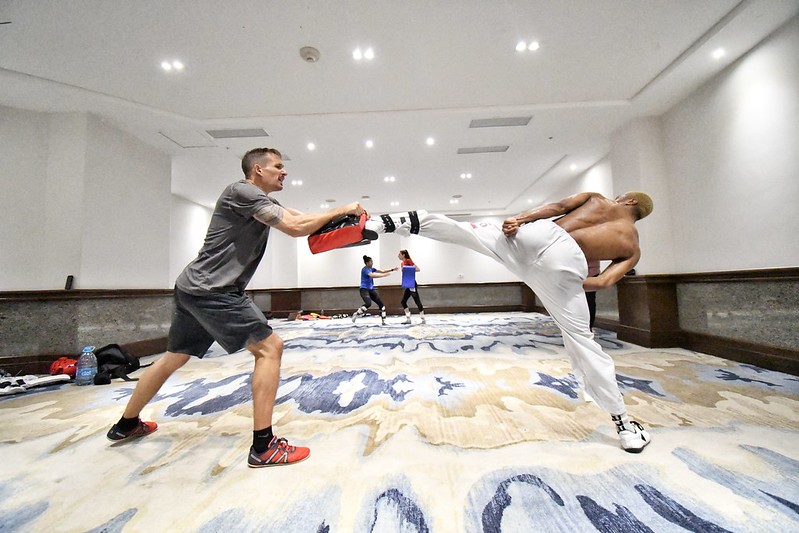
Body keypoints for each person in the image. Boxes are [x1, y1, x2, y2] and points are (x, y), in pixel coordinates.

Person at [106, 147, 366, 468]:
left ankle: (126, 424)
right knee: (270, 348)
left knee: (173, 357)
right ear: (257, 169)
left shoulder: (263, 201)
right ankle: (264, 447)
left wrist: (342, 218)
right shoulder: (242, 191)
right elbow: (296, 228)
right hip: (214, 290)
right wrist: (343, 208)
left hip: (192, 287)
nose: (284, 172)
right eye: (278, 167)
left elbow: (299, 219)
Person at [364, 191, 654, 453]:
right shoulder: (632, 246)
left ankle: (390, 222)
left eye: (622, 196)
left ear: (630, 201)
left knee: (470, 233)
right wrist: (565, 282)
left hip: (538, 235)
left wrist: (518, 219)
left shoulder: (598, 199)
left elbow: (558, 206)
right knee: (582, 341)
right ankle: (624, 425)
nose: (617, 197)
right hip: (566, 264)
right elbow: (604, 282)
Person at [352, 255, 397, 325]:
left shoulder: (371, 269)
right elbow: (372, 275)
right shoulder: (365, 270)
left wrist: (392, 270)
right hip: (364, 289)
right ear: (367, 263)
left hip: (371, 290)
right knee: (368, 304)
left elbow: (382, 271)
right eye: (371, 262)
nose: (372, 263)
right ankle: (357, 314)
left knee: (382, 305)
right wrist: (384, 275)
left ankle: (383, 321)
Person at [398, 249, 425, 324]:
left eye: (399, 254)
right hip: (407, 284)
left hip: (412, 283)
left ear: (403, 255)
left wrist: (409, 269)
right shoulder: (402, 263)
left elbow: (417, 269)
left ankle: (423, 318)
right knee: (403, 301)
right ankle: (408, 318)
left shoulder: (408, 261)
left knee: (417, 301)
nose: (398, 256)